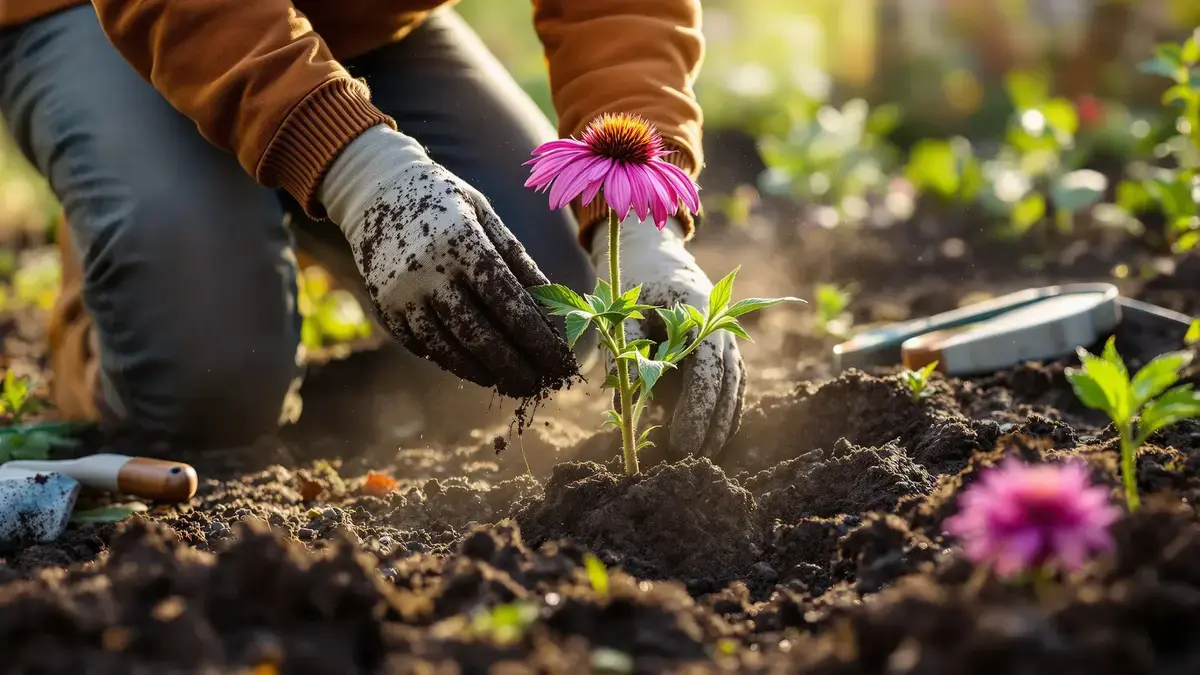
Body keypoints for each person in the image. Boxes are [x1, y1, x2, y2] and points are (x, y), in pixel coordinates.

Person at [0, 0, 745, 459]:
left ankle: (247, 197)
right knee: (204, 384)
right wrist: (358, 171)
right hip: (103, 17)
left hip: (361, 22)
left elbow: (620, 10)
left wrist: (640, 226)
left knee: (547, 303)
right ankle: (136, 260)